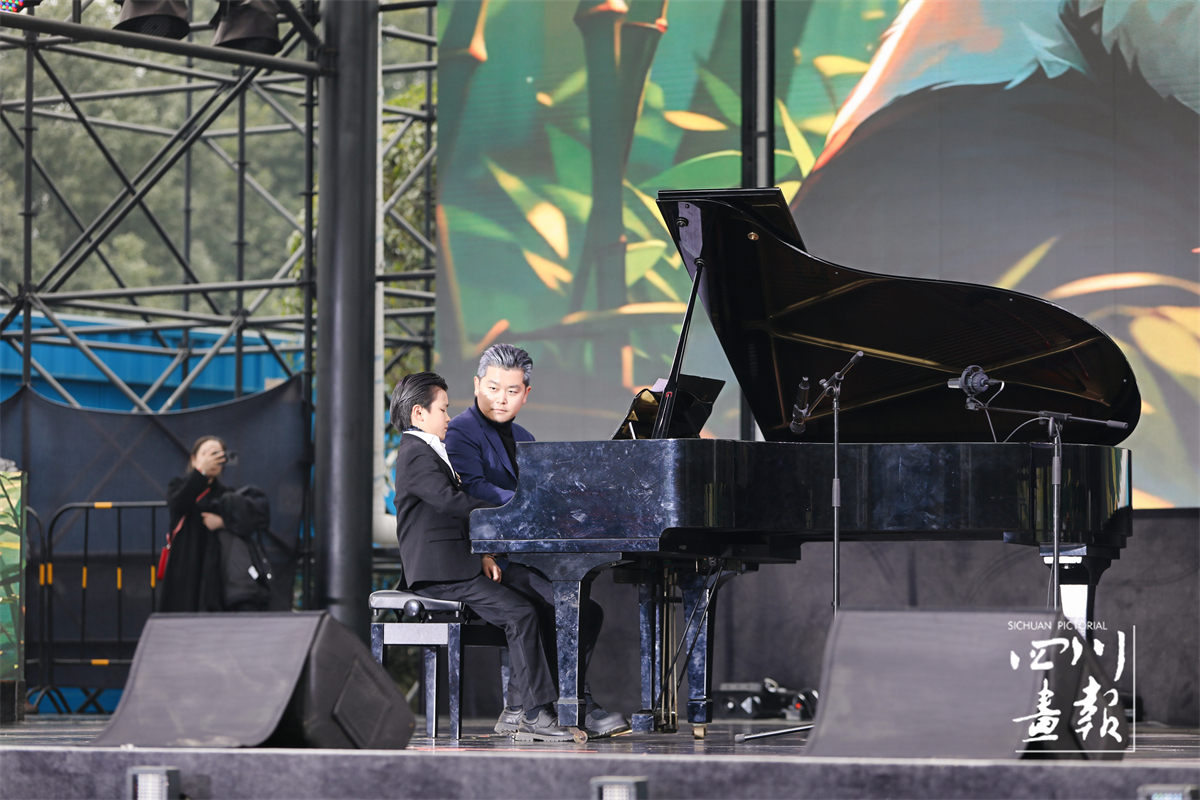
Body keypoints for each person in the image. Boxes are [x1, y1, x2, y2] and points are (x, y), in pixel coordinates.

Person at [445, 344, 629, 739]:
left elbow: (542, 494)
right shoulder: (460, 430)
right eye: (493, 388)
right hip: (488, 557)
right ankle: (565, 704)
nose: (501, 398)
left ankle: (543, 704)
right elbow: (472, 489)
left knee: (583, 610)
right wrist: (528, 501)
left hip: (525, 553)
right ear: (476, 385)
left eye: (512, 391)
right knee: (570, 608)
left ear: (526, 394)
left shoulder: (525, 437)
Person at [391, 371, 577, 742]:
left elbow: (449, 517)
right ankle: (534, 714)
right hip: (440, 574)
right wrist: (506, 513)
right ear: (418, 413)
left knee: (533, 605)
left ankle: (529, 708)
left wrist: (484, 554)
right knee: (519, 613)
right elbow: (450, 502)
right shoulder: (415, 453)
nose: (448, 417)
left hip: (457, 565)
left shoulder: (426, 450)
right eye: (443, 410)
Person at [160, 436, 229, 612]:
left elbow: (249, 518)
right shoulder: (178, 485)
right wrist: (201, 473)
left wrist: (223, 522)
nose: (211, 459)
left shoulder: (227, 494)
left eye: (217, 454)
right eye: (206, 454)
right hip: (186, 561)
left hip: (216, 566)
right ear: (193, 459)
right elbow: (180, 504)